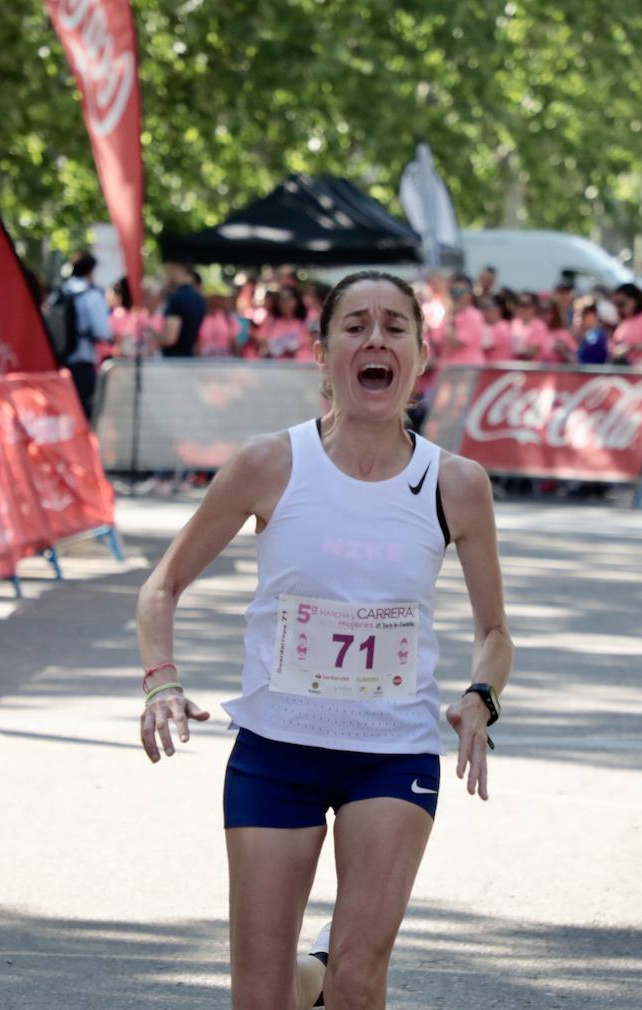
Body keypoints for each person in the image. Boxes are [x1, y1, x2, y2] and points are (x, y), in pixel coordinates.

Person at [135, 269, 512, 1010]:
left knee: (357, 979)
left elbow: (494, 632)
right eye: (355, 326)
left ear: (420, 354)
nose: (375, 339)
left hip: (392, 753)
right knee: (261, 995)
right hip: (277, 751)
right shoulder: (269, 464)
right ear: (322, 352)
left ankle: (325, 978)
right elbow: (161, 587)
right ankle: (300, 982)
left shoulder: (456, 485)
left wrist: (481, 697)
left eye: (395, 327)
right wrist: (161, 679)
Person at [53, 251, 112, 418]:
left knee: (64, 410)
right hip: (83, 359)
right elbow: (102, 330)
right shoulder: (91, 294)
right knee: (84, 411)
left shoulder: (61, 290)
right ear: (91, 270)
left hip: (61, 357)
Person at [159, 260, 208, 359]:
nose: (166, 275)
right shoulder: (199, 299)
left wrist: (152, 337)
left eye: (168, 271)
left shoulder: (177, 298)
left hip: (172, 360)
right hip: (189, 359)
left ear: (177, 269)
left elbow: (170, 339)